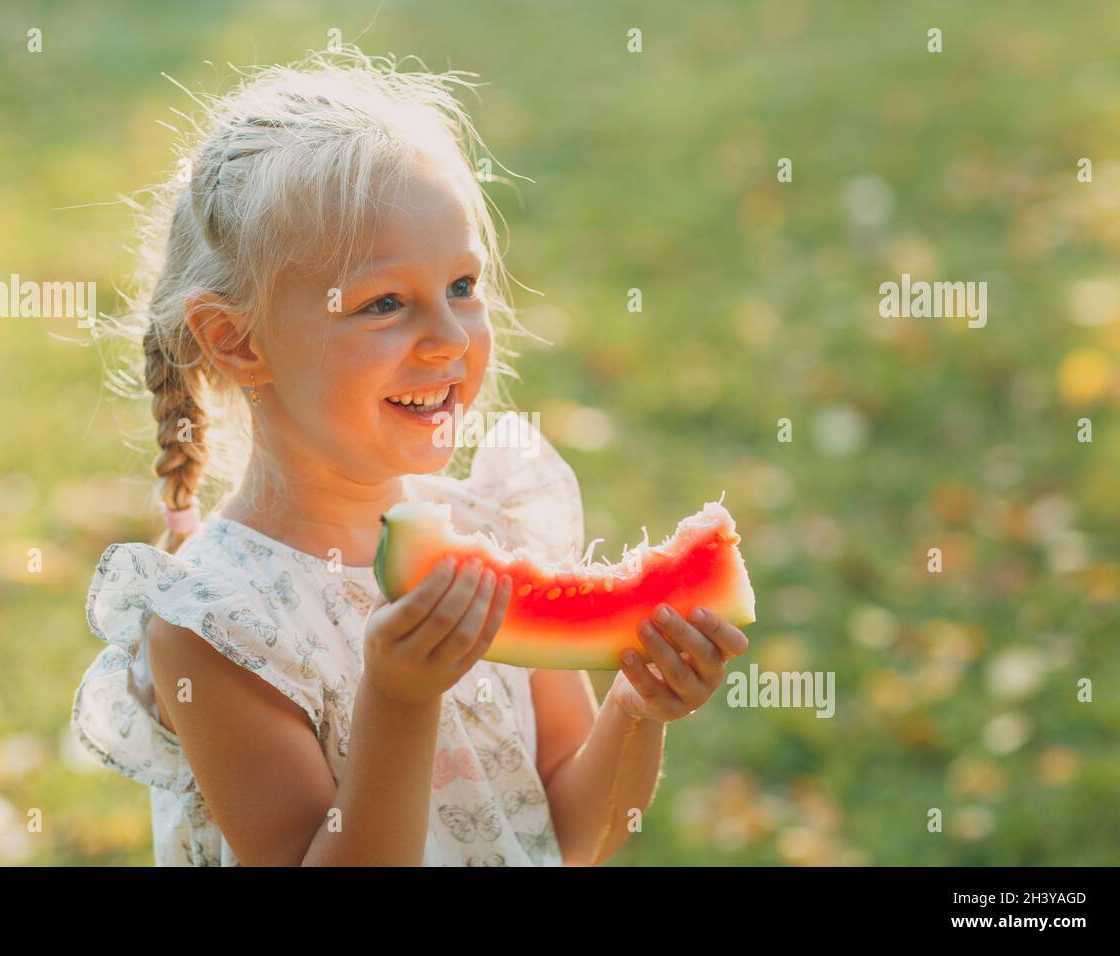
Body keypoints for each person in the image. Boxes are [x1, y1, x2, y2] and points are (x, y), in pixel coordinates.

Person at [70, 44, 748, 866]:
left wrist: (637, 710)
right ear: (238, 340)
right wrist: (397, 700)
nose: (450, 340)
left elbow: (572, 835)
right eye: (385, 303)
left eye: (463, 287)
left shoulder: (490, 531)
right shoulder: (216, 628)